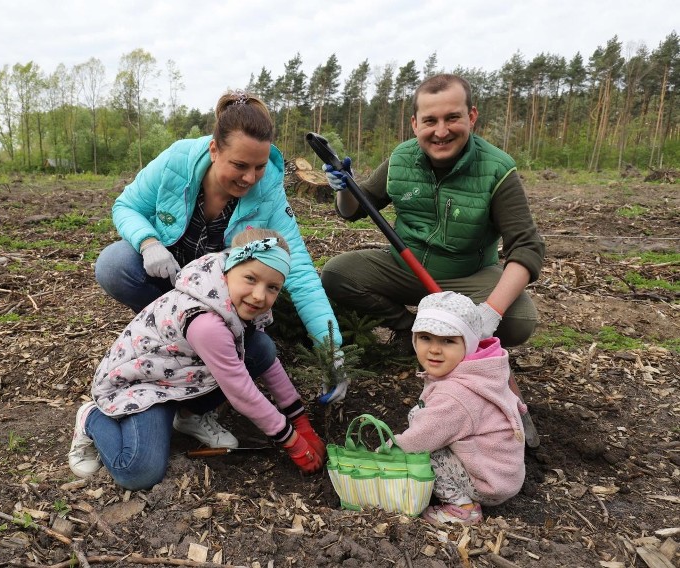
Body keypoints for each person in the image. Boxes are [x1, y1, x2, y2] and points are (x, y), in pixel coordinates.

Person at [320, 73, 543, 446]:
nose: (441, 131)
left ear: (471, 116)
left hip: (467, 274)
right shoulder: (402, 159)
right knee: (338, 274)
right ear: (415, 123)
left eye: (452, 118)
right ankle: (413, 331)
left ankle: (470, 349)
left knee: (518, 319)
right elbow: (354, 210)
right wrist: (344, 187)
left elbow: (527, 247)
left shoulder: (496, 168)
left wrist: (489, 312)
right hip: (405, 266)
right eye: (430, 121)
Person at [95, 89, 347, 417]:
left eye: (258, 167)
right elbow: (127, 205)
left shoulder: (268, 191)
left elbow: (298, 268)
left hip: (218, 301)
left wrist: (331, 349)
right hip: (169, 282)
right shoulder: (177, 161)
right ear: (214, 149)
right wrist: (149, 243)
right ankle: (163, 338)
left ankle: (203, 363)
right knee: (116, 265)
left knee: (258, 347)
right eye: (240, 165)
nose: (249, 177)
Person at [68, 229, 326, 490]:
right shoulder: (205, 322)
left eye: (272, 287)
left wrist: (300, 421)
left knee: (260, 348)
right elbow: (241, 392)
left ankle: (190, 415)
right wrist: (292, 441)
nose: (259, 295)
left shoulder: (237, 300)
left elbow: (267, 362)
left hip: (181, 375)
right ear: (228, 269)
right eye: (250, 278)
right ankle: (91, 419)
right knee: (138, 472)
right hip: (145, 385)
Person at [390, 291, 526, 526]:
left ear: (469, 343)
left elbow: (421, 439)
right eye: (425, 338)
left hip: (488, 482)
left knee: (427, 450)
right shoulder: (481, 370)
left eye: (448, 341)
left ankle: (463, 507)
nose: (434, 349)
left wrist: (389, 449)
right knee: (420, 415)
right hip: (501, 470)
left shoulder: (457, 395)